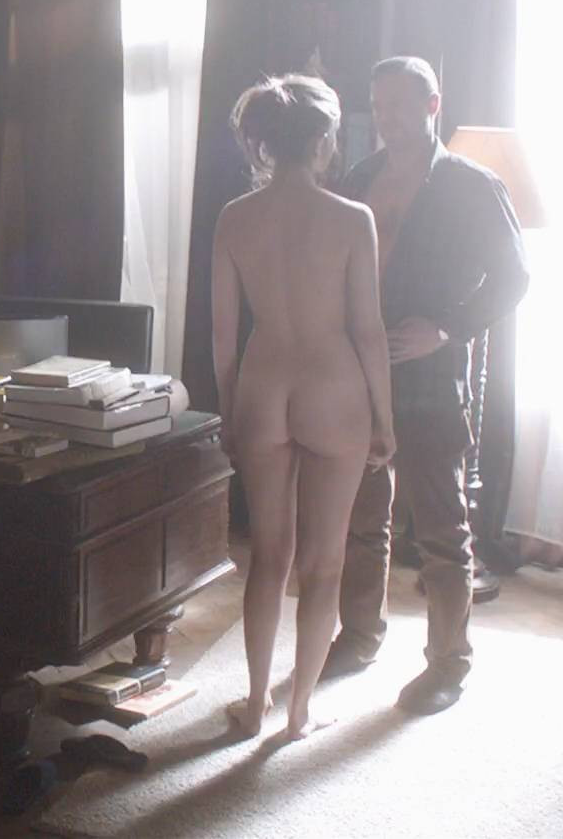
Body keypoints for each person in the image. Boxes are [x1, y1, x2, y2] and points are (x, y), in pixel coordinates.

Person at [323, 56, 529, 715]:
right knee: (362, 518)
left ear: (433, 104)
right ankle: (359, 636)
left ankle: (448, 664)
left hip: (430, 378)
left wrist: (446, 329)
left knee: (441, 528)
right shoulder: (358, 179)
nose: (387, 117)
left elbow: (515, 277)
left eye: (401, 104)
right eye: (379, 105)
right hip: (358, 372)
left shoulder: (472, 185)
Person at [212, 74, 395, 740]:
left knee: (268, 556)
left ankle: (254, 703)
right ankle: (299, 714)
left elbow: (223, 337)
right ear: (322, 141)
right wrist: (385, 419)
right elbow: (368, 330)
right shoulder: (352, 219)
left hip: (263, 387)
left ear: (265, 141)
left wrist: (229, 412)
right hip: (333, 390)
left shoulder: (234, 218)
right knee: (324, 564)